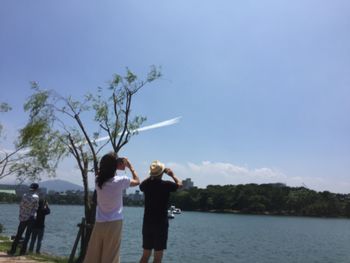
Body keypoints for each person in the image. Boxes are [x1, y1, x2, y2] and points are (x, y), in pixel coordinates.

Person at [84, 152, 140, 263]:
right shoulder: (121, 181)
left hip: (99, 222)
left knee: (94, 256)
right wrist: (130, 166)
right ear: (115, 166)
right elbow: (137, 181)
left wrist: (114, 165)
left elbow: (102, 171)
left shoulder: (98, 180)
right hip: (114, 223)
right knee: (110, 257)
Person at [139, 160, 182, 263]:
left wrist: (152, 174)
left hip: (147, 223)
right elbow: (180, 185)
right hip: (160, 224)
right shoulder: (166, 185)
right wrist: (172, 175)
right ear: (162, 172)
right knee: (158, 257)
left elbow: (141, 185)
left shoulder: (146, 185)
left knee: (145, 254)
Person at [8, 183, 40, 256]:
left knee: (18, 234)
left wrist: (22, 215)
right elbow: (36, 208)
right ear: (36, 189)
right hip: (31, 218)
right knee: (27, 235)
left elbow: (21, 206)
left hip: (23, 217)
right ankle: (22, 252)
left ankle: (13, 250)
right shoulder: (36, 197)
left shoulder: (24, 195)